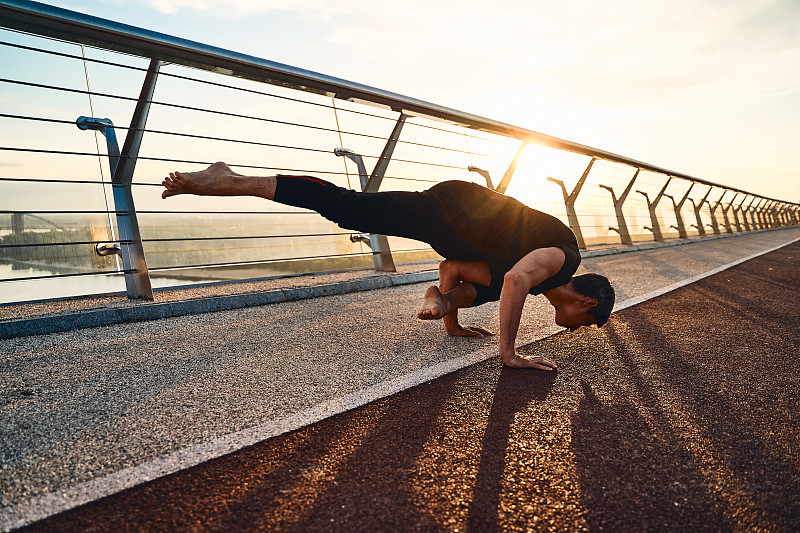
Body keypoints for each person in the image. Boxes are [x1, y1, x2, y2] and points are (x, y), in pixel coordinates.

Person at [161, 162, 614, 371]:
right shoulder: (563, 258)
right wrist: (509, 354)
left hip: (459, 228)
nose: (575, 330)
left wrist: (451, 322)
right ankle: (230, 180)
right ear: (587, 302)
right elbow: (516, 279)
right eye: (585, 323)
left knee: (492, 287)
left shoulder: (540, 278)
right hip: (460, 210)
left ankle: (438, 303)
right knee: (351, 210)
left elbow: (455, 265)